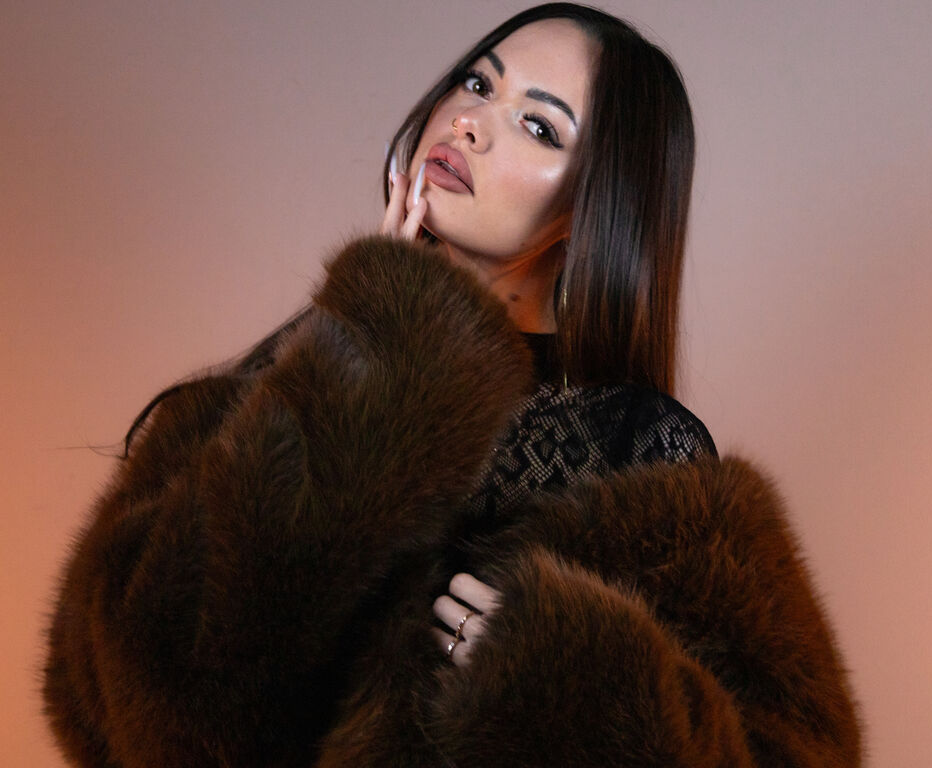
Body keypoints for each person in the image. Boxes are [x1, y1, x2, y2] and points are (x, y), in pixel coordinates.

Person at [43, 4, 861, 767]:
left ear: (589, 206)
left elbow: (787, 751)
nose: (471, 121)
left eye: (539, 126)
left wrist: (571, 688)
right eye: (477, 82)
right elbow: (126, 704)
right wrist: (377, 347)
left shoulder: (636, 448)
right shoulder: (295, 378)